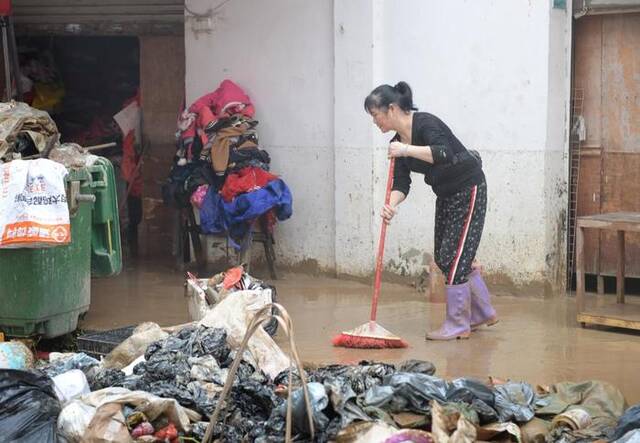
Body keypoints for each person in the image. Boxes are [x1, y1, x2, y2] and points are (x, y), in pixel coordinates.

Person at [364, 81, 498, 340]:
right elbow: (402, 184)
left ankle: (458, 323)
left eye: (375, 115)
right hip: (445, 194)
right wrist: (391, 206)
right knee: (445, 257)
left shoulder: (425, 124)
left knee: (456, 257)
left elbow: (444, 153)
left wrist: (405, 149)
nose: (375, 121)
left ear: (391, 109)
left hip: (468, 187)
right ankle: (482, 312)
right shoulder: (396, 144)